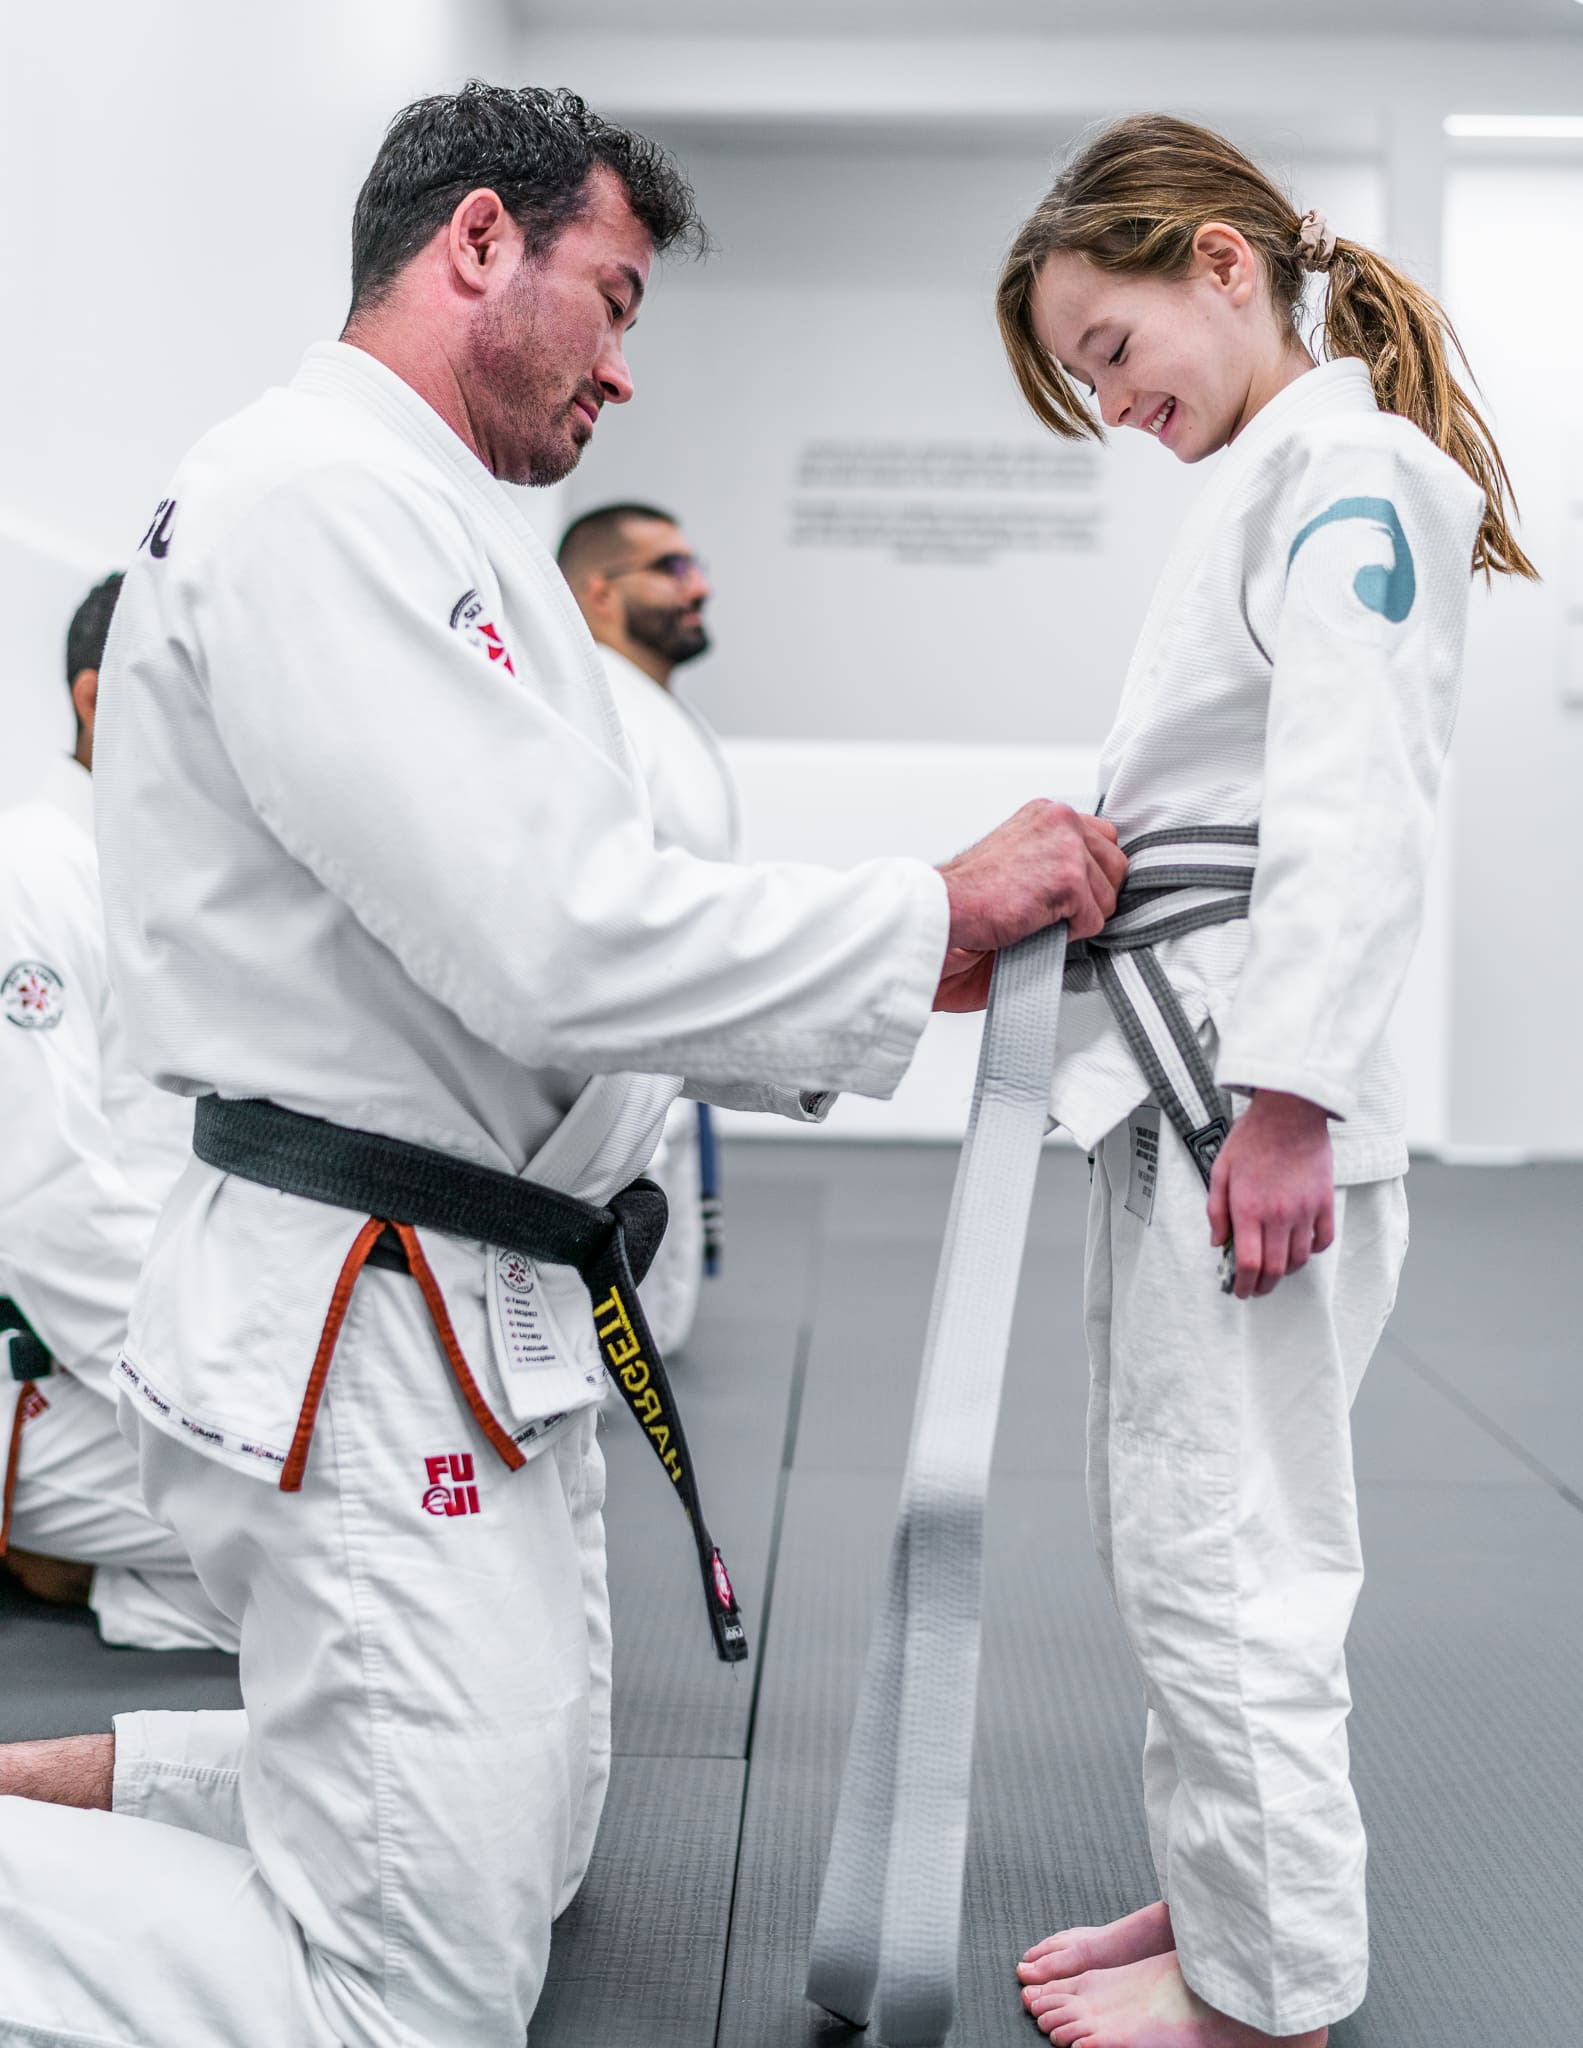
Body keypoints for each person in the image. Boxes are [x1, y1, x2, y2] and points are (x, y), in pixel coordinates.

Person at [0, 84, 1124, 2048]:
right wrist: (910, 920)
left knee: (534, 1841)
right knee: (406, 2007)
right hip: (365, 1317)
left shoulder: (435, 521)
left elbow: (591, 900)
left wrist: (892, 968)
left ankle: (71, 1798)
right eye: (609, 297)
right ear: (471, 246)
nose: (622, 366)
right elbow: (546, 928)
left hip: (472, 1301)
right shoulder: (311, 500)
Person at [999, 116, 1535, 2048]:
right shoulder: (1276, 478)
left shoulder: (1348, 469)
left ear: (1220, 265)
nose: (1112, 401)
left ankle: (1267, 1992)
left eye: (1110, 349)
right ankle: (1226, 1893)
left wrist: (1289, 1094)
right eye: (1083, 381)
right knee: (1177, 1523)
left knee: (1233, 1545)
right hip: (1196, 1077)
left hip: (1248, 1094)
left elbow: (1348, 787)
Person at [0, 573, 236, 1652]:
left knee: (426, 1521)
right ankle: (62, 1551)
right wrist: (206, 1399)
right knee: (357, 1543)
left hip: (163, 1335)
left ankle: (91, 1574)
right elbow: (40, 1203)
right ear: (99, 702)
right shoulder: (28, 878)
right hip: (41, 1376)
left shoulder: (180, 875)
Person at [559, 499, 732, 1354]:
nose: (695, 584)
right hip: (623, 1054)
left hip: (673, 1044)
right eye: (668, 567)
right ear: (597, 593)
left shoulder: (648, 706)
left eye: (692, 562)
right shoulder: (599, 711)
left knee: (652, 1319)